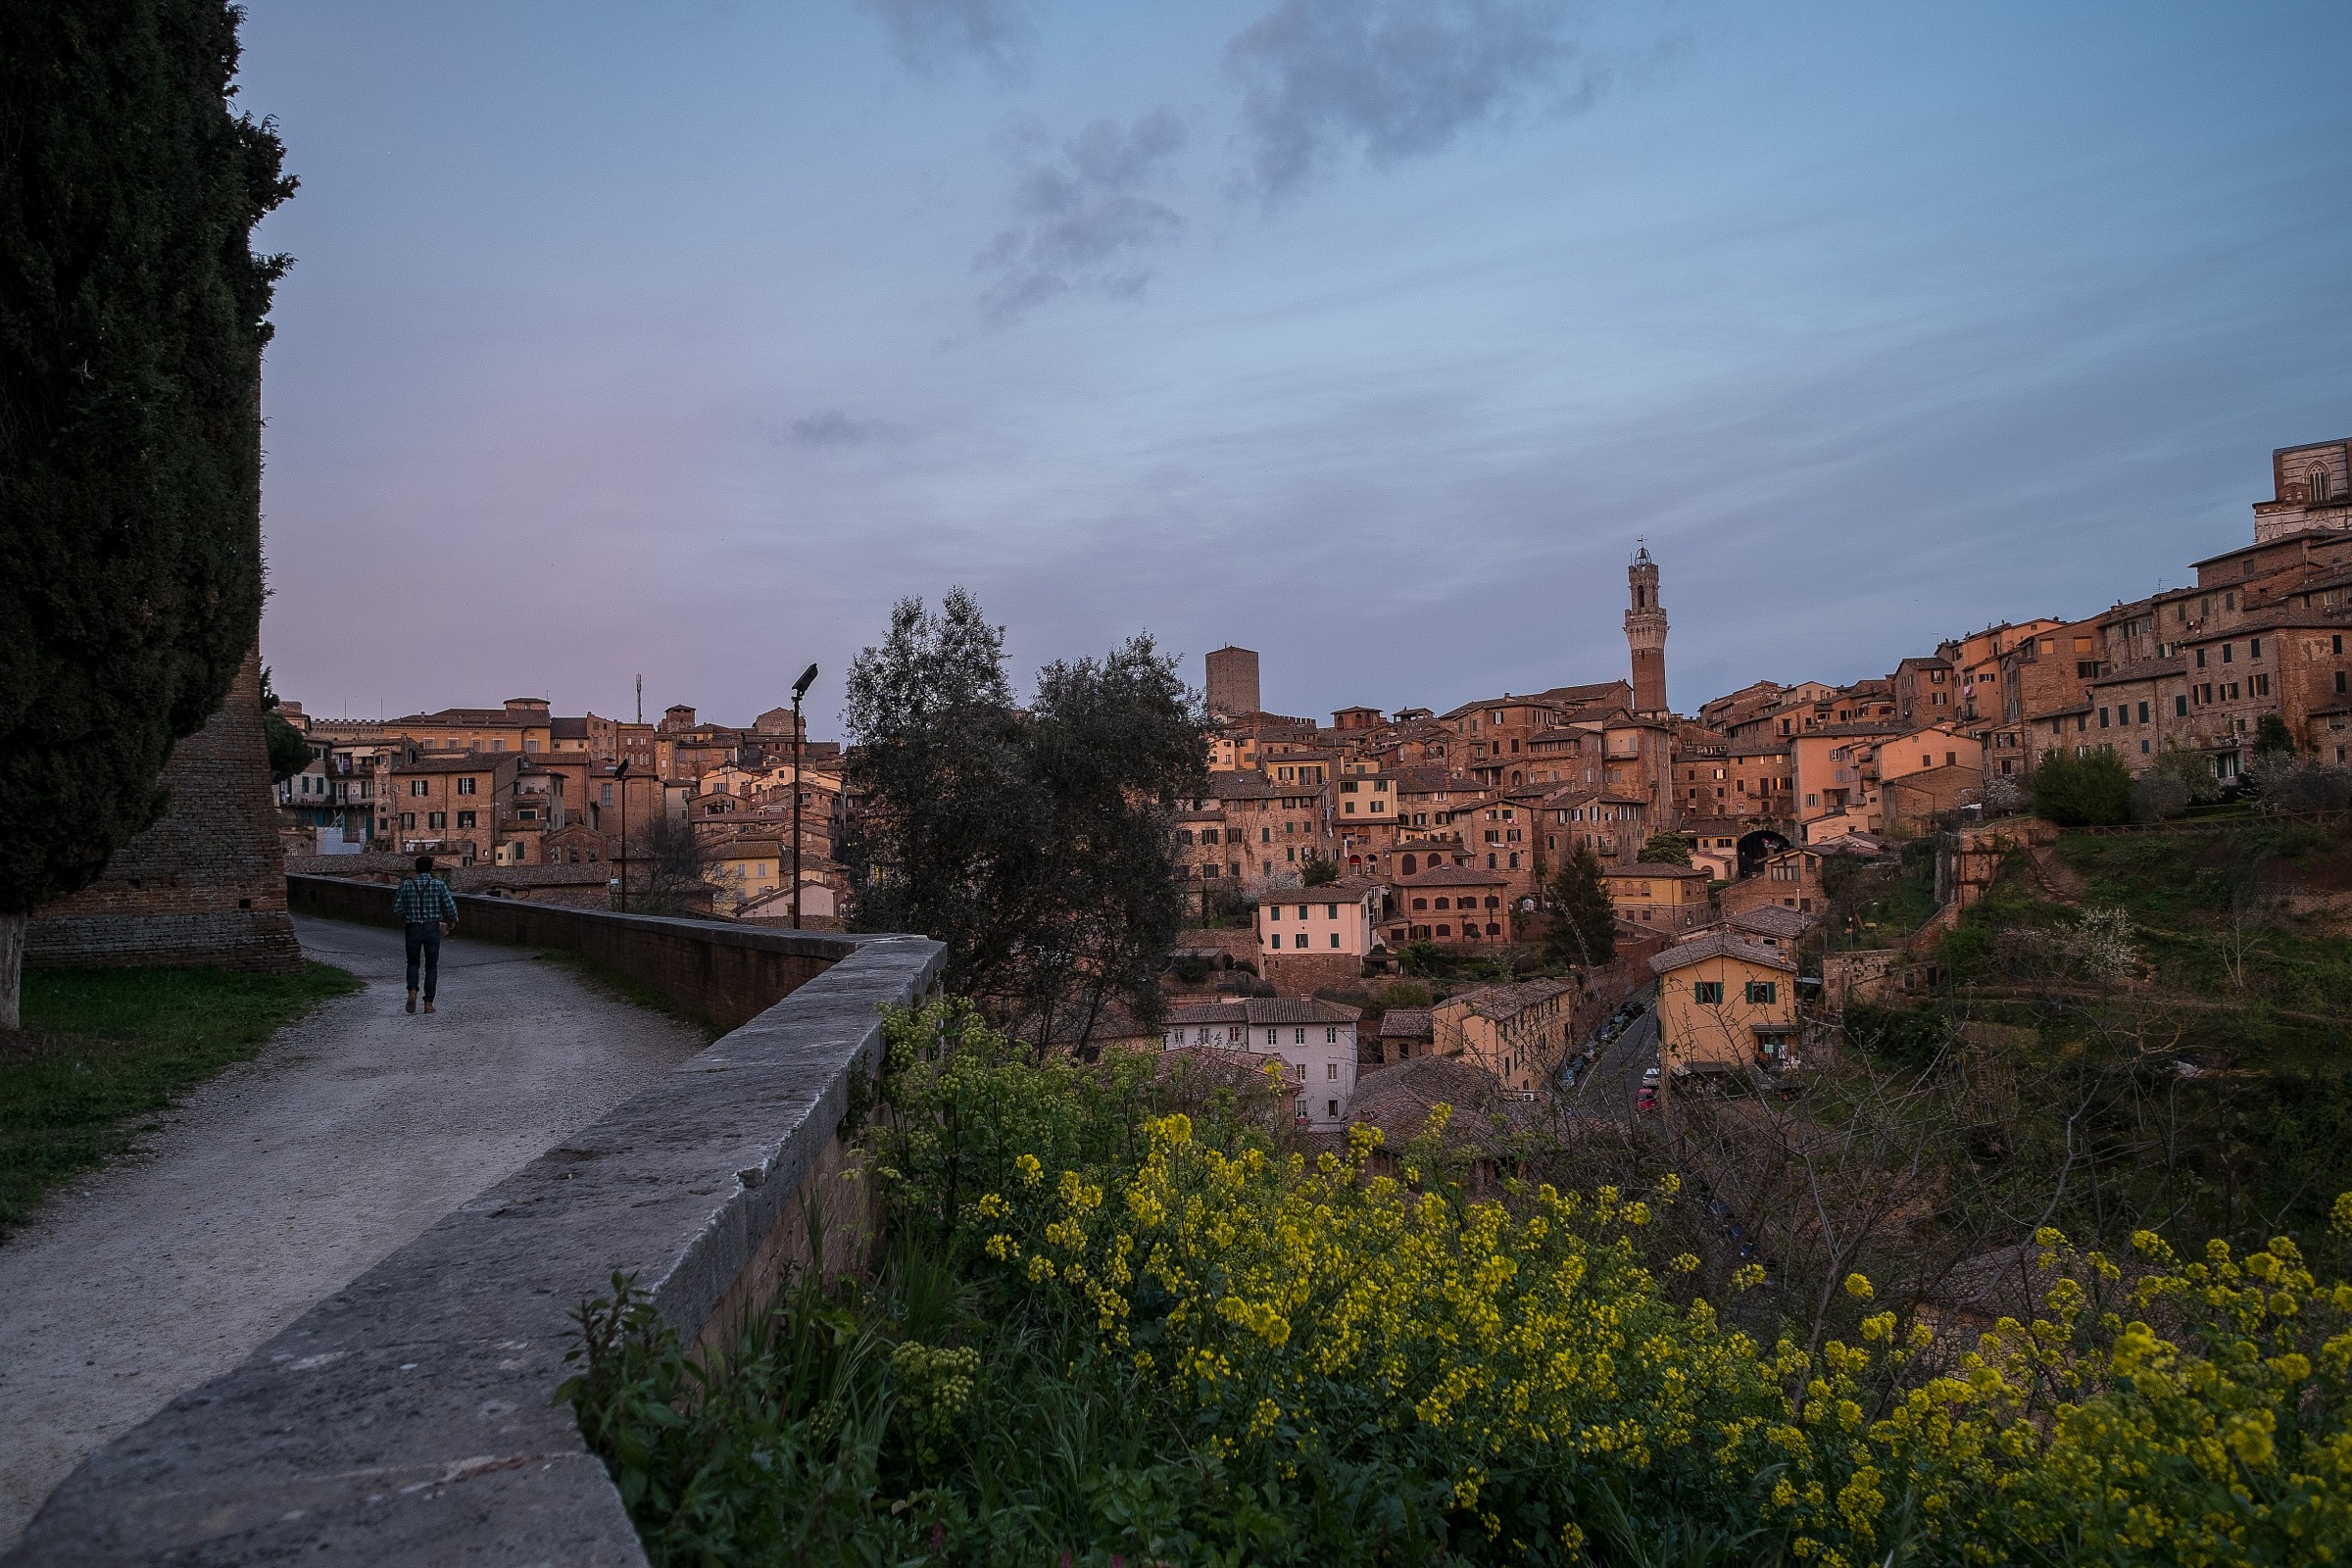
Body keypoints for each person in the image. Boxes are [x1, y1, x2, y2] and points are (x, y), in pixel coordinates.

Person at [392, 855, 460, 1013]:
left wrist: (407, 916)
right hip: (432, 928)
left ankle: (413, 990)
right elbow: (449, 905)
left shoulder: (406, 885)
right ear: (431, 868)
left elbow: (396, 908)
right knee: (431, 966)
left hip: (413, 927)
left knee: (413, 962)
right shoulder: (438, 884)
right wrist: (452, 920)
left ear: (416, 868)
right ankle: (428, 1003)